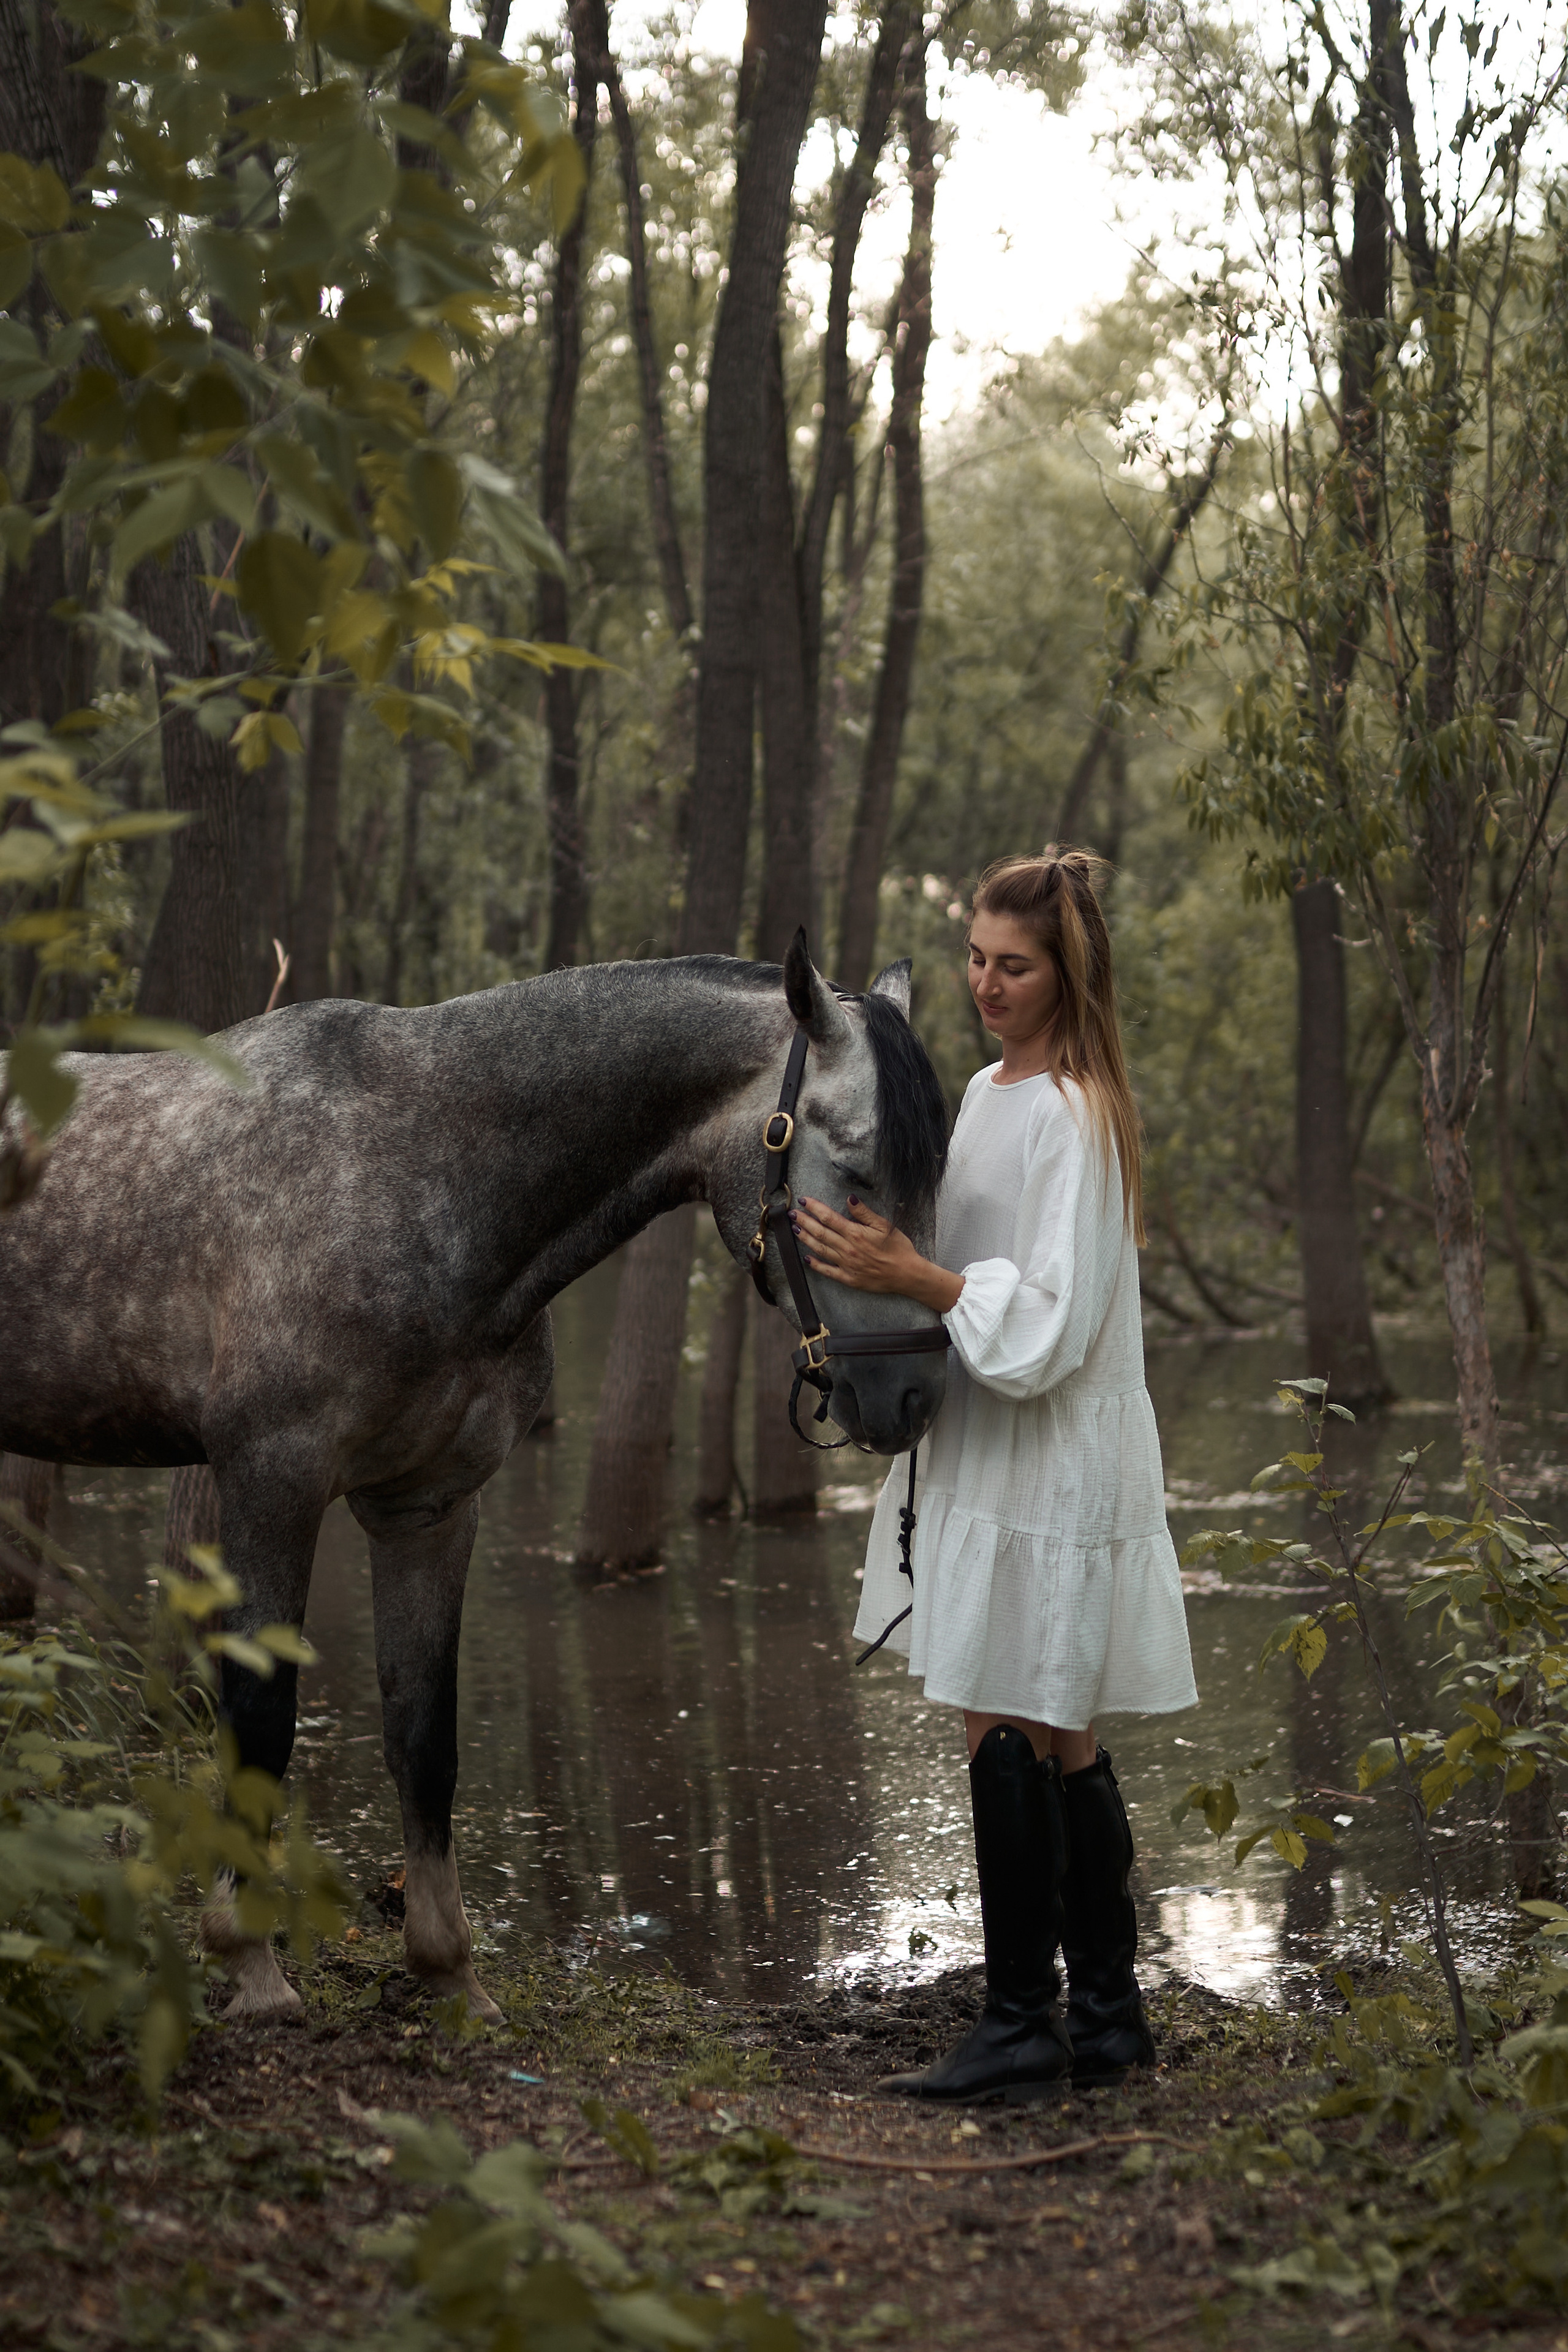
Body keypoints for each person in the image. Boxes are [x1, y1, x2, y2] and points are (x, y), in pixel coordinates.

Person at [793, 848, 1197, 2103]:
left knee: (1008, 1720)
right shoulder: (981, 1090)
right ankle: (1109, 2019)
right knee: (1058, 1732)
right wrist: (887, 1272)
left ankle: (1025, 2025)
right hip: (990, 1430)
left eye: (1010, 965)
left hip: (1052, 1440)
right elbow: (965, 1266)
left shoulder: (1076, 1110)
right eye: (973, 957)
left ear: (1062, 971)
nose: (983, 982)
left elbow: (1057, 1321)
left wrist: (915, 1278)